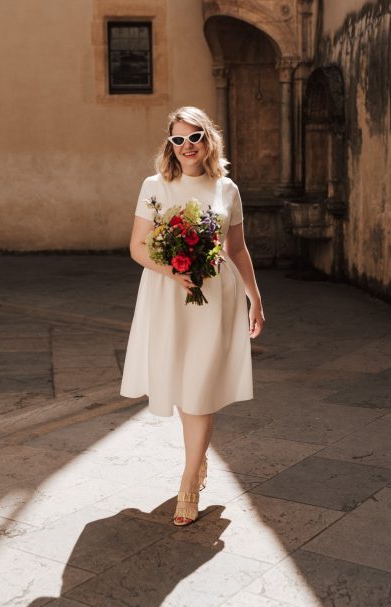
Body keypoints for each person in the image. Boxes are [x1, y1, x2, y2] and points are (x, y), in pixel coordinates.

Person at [120, 106, 265, 526]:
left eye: (194, 137)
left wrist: (255, 298)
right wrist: (174, 270)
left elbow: (236, 250)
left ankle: (188, 481)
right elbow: (138, 247)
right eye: (178, 139)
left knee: (200, 385)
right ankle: (198, 458)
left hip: (216, 297)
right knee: (183, 383)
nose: (186, 146)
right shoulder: (155, 186)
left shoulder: (227, 189)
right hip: (168, 295)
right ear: (170, 144)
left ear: (208, 139)